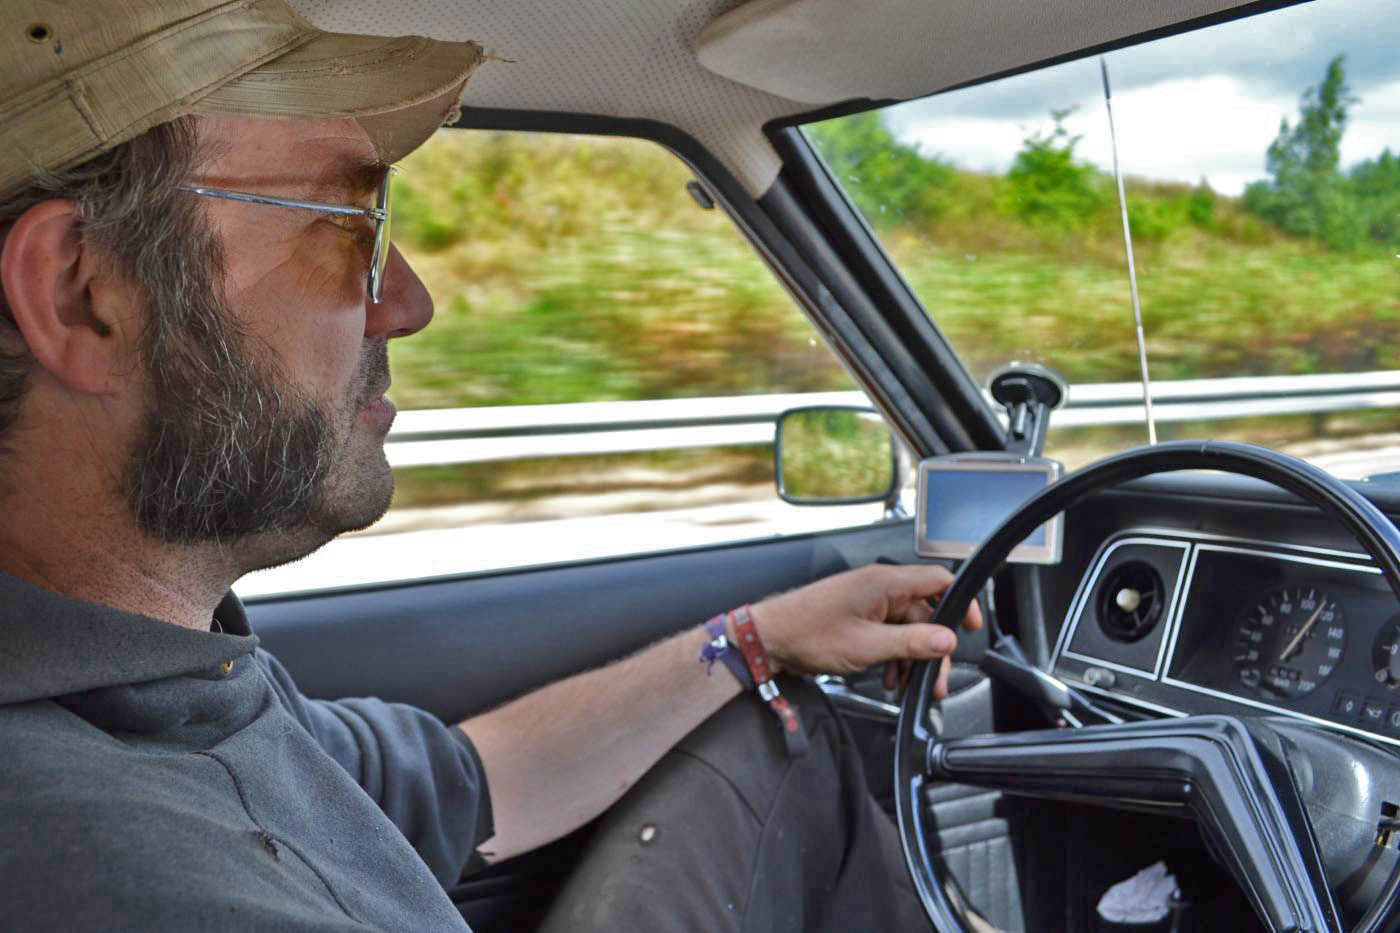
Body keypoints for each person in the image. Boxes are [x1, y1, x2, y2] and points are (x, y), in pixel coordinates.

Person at [0, 2, 979, 930]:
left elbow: (483, 776)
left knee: (778, 739)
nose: (411, 303)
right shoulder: (96, 865)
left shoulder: (166, 673)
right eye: (349, 228)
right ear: (85, 292)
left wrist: (755, 641)